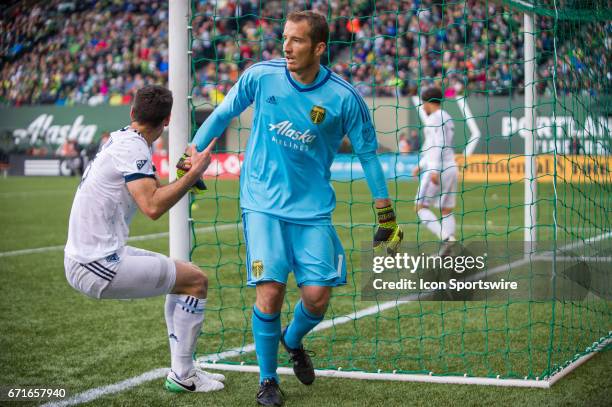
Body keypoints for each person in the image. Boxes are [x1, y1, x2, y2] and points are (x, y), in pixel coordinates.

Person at [188, 11, 402, 406]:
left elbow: (370, 156)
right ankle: (268, 381)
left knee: (318, 298)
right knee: (269, 292)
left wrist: (385, 213)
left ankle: (292, 340)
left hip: (312, 210)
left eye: (297, 40)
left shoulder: (344, 97)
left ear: (319, 47)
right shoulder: (261, 75)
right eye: (285, 38)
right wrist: (195, 149)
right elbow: (223, 113)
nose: (286, 47)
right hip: (261, 202)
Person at [63, 85, 225, 394]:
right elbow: (152, 206)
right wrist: (194, 174)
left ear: (132, 112)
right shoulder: (133, 147)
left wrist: (184, 173)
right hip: (94, 263)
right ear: (166, 122)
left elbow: (152, 188)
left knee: (185, 277)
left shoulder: (123, 139)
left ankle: (183, 371)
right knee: (196, 281)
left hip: (91, 256)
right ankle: (183, 374)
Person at [412, 87, 458, 245]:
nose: (423, 107)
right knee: (446, 210)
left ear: (428, 102)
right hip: (451, 166)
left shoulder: (434, 118)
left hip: (439, 168)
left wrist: (433, 170)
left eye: (423, 103)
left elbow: (438, 144)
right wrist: (421, 165)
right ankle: (448, 251)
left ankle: (447, 239)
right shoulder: (447, 116)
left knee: (420, 207)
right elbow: (435, 144)